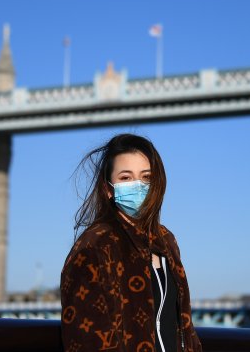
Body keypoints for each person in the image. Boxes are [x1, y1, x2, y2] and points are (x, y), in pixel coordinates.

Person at [61, 133, 202, 352]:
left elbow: (184, 327)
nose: (138, 186)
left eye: (146, 177)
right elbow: (85, 340)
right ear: (108, 189)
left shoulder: (166, 241)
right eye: (126, 178)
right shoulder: (94, 246)